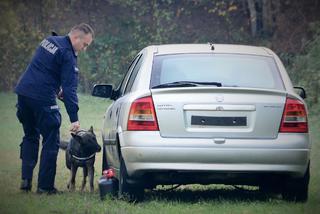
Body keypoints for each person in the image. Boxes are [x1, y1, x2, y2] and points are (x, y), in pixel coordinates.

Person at [15, 23, 94, 194]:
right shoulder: (68, 54)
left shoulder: (50, 41)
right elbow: (70, 89)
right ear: (76, 38)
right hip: (42, 97)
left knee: (30, 135)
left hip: (23, 93)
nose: (84, 49)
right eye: (85, 44)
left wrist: (57, 90)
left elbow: (44, 69)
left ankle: (25, 182)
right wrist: (74, 118)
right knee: (51, 138)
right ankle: (45, 187)